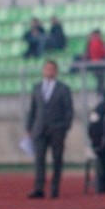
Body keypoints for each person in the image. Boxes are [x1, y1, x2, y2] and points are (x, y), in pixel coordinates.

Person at [26, 60, 74, 199]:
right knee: (39, 159)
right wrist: (29, 127)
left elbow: (68, 110)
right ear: (43, 70)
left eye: (52, 69)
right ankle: (39, 188)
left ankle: (55, 188)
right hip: (40, 128)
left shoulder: (63, 88)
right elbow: (33, 109)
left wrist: (65, 126)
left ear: (56, 71)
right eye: (47, 68)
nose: (49, 71)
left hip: (57, 129)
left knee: (57, 159)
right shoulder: (37, 87)